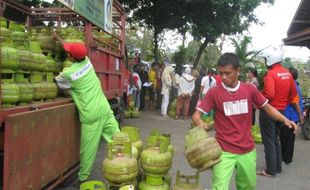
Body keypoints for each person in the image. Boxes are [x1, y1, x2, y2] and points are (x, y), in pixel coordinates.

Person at [192, 53, 298, 190]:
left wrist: (285, 120)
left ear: (238, 71)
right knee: (219, 187)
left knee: (247, 186)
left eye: (228, 73)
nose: (223, 77)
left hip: (247, 150)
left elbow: (267, 107)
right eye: (221, 73)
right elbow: (196, 115)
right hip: (223, 152)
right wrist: (201, 126)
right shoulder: (214, 92)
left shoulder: (249, 90)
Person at [53, 32, 120, 184]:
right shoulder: (88, 62)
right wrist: (57, 38)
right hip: (104, 108)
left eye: (69, 54)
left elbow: (59, 83)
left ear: (70, 58)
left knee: (88, 150)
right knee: (118, 140)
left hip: (91, 115)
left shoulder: (68, 73)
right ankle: (129, 166)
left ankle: (82, 179)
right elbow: (70, 49)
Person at [258, 46, 302, 177]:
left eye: (266, 59)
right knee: (276, 139)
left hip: (269, 110)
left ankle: (270, 170)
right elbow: (293, 95)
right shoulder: (288, 74)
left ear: (271, 59)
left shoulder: (270, 74)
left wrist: (260, 99)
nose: (265, 62)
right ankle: (277, 167)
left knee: (269, 140)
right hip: (281, 111)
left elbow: (270, 94)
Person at [280, 67, 304, 164]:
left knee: (286, 138)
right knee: (288, 138)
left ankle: (285, 159)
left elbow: (294, 103)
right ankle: (286, 158)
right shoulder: (296, 85)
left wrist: (300, 115)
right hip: (292, 116)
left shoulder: (292, 86)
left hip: (289, 116)